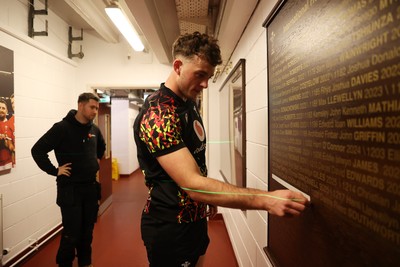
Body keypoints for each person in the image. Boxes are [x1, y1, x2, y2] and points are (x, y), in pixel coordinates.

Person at [133, 32, 309, 267]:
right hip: (170, 227)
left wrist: (207, 198)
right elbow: (192, 185)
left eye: (209, 76)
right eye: (200, 75)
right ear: (178, 66)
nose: (205, 84)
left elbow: (194, 164)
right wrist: (266, 200)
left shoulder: (186, 103)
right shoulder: (159, 114)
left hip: (193, 220)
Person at [31, 92, 105, 267]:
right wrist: (54, 170)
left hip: (90, 188)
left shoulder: (94, 130)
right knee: (72, 234)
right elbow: (38, 150)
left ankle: (86, 263)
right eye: (92, 107)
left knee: (87, 233)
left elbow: (101, 147)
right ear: (80, 105)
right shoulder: (62, 128)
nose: (95, 111)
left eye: (97, 108)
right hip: (70, 190)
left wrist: (96, 161)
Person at [0, 98, 14, 170]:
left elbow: (12, 146)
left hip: (8, 163)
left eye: (3, 108)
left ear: (7, 111)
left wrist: (8, 143)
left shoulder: (11, 124)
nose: (1, 110)